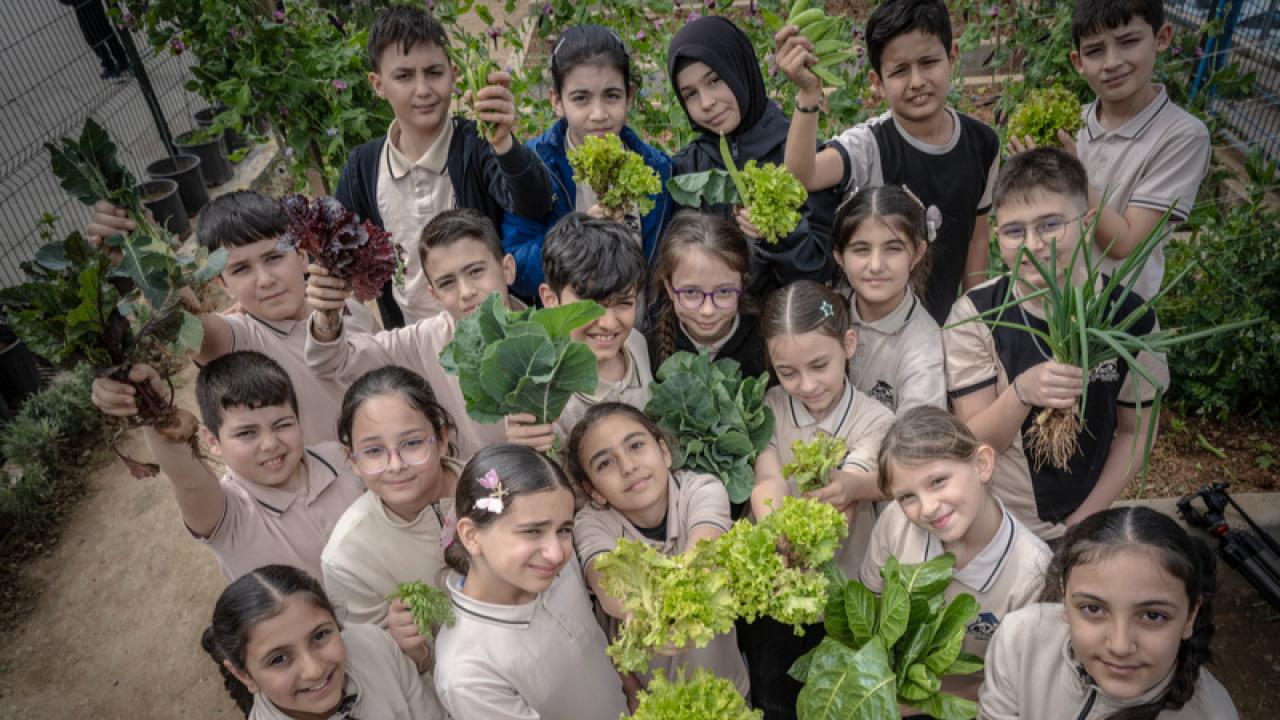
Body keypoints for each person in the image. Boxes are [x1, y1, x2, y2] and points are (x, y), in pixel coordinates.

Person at [943, 148, 1168, 542]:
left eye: (1050, 225)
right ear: (997, 236)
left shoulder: (1131, 317)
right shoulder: (975, 315)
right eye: (1014, 231)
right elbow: (974, 439)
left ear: (1088, 222)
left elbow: (1137, 431)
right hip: (999, 521)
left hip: (1088, 518)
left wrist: (1087, 519)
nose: (1033, 245)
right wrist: (1022, 392)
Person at [86, 190, 375, 446]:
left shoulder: (347, 304)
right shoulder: (240, 341)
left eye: (274, 257)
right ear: (222, 283)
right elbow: (183, 320)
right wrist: (143, 249)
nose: (264, 280)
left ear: (301, 254)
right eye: (241, 269)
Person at [777, 0, 1000, 323]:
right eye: (899, 71)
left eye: (928, 62)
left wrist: (974, 320)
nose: (917, 81)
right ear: (877, 81)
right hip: (862, 331)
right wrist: (809, 94)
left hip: (939, 328)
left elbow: (977, 236)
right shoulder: (868, 145)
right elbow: (801, 177)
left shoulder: (983, 142)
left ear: (952, 58)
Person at [336, 5, 553, 326]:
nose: (423, 90)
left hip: (495, 333)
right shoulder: (364, 168)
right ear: (378, 84)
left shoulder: (478, 145)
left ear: (453, 75)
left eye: (434, 73)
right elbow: (335, 258)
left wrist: (505, 144)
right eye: (404, 76)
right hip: (416, 345)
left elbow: (534, 204)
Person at [745, 279, 895, 719]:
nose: (807, 385)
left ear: (848, 345)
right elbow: (767, 476)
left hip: (846, 594)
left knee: (838, 702)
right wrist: (779, 529)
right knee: (775, 700)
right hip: (776, 597)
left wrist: (848, 489)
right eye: (788, 372)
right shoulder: (767, 409)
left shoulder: (875, 418)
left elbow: (859, 478)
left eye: (819, 365)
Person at [89, 352, 363, 582]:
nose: (269, 444)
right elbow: (187, 479)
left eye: (282, 425)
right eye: (246, 433)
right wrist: (150, 408)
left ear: (298, 419)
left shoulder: (340, 458)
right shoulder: (230, 515)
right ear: (213, 441)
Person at [1012, 0, 1211, 303]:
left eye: (1128, 42)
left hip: (1118, 322)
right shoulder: (1070, 123)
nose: (1112, 63)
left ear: (1162, 38)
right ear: (1078, 62)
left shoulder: (1182, 136)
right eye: (1095, 51)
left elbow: (1123, 244)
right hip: (1050, 307)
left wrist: (1068, 173)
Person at [861, 406, 1050, 704]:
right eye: (907, 496)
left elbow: (1022, 685)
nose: (928, 508)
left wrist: (910, 704)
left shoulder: (1033, 572)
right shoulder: (894, 523)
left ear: (982, 464)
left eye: (938, 481)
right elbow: (870, 609)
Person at [979, 506, 1239, 719]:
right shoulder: (1021, 641)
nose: (1120, 646)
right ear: (1065, 600)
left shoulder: (1214, 714)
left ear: (1191, 616)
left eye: (1152, 616)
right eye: (1092, 609)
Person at [565, 402, 750, 699]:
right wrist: (638, 610)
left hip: (728, 693)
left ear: (664, 453)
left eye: (636, 446)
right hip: (652, 703)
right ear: (593, 491)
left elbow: (702, 560)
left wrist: (652, 606)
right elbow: (609, 587)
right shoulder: (591, 523)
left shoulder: (702, 489)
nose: (628, 466)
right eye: (605, 464)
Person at [305, 209, 521, 461]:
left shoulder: (555, 330)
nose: (465, 292)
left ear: (507, 269)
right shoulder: (422, 342)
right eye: (447, 283)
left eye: (475, 271)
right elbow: (333, 363)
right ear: (434, 294)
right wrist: (327, 315)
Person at [434, 444, 629, 719]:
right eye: (532, 531)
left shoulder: (547, 568)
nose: (556, 553)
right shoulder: (467, 673)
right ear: (471, 535)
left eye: (563, 529)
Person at [667, 15, 836, 299]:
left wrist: (780, 233)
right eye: (690, 94)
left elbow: (821, 272)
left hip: (787, 328)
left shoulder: (799, 152)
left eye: (715, 80)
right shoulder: (687, 168)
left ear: (741, 70)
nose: (706, 103)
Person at [502, 24, 672, 304]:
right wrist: (578, 231)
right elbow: (516, 268)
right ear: (557, 102)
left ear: (629, 97)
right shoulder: (534, 166)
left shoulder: (656, 168)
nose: (599, 114)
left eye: (612, 96)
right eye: (581, 98)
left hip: (638, 335)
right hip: (566, 339)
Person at [320, 366, 459, 683]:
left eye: (412, 443)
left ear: (441, 438)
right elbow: (378, 672)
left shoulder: (490, 484)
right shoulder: (348, 558)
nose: (396, 465)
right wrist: (412, 652)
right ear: (352, 460)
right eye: (373, 451)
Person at [200, 564, 444, 719]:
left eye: (320, 636)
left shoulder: (373, 646)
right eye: (279, 659)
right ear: (244, 676)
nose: (314, 669)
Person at [534, 213, 653, 443]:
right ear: (550, 300)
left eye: (624, 303)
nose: (608, 323)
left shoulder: (637, 343)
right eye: (590, 306)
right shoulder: (544, 395)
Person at [831, 185, 945, 415]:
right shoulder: (825, 311)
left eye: (893, 248)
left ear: (917, 253)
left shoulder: (922, 344)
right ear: (840, 257)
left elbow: (916, 438)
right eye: (861, 249)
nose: (875, 265)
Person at [646, 210, 767, 378]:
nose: (707, 310)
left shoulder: (766, 345)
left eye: (724, 291)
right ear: (669, 288)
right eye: (691, 292)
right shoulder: (647, 351)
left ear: (742, 284)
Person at [62, 0, 130, 81]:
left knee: (93, 38)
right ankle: (122, 60)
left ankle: (110, 67)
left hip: (83, 9)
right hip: (95, 5)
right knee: (105, 30)